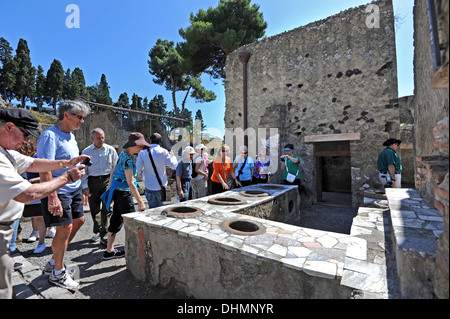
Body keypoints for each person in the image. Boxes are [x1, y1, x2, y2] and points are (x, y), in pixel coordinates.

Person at [0, 108, 87, 299]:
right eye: (24, 135)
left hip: (5, 230)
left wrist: (65, 163)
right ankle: (57, 270)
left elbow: (33, 163)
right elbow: (28, 194)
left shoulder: (6, 152)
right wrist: (64, 180)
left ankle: (54, 263)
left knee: (75, 222)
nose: (26, 142)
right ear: (9, 127)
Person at [36, 99, 91, 290]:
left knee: (79, 221)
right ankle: (58, 274)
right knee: (65, 227)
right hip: (58, 190)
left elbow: (72, 164)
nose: (82, 121)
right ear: (66, 115)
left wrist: (82, 185)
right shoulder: (50, 136)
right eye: (79, 117)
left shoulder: (71, 137)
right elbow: (44, 168)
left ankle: (53, 262)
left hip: (73, 188)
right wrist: (52, 197)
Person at [101, 132, 148, 260]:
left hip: (117, 191)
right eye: (140, 146)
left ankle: (109, 251)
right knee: (132, 223)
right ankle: (134, 253)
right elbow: (131, 183)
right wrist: (141, 202)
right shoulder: (128, 159)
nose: (141, 149)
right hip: (123, 193)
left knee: (116, 218)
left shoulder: (123, 154)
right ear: (134, 145)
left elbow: (113, 171)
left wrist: (110, 187)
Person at [81, 128, 118, 245]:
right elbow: (83, 171)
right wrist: (85, 186)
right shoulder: (86, 152)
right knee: (94, 208)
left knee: (107, 208)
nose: (101, 140)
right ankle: (98, 231)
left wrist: (114, 184)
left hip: (108, 180)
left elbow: (115, 167)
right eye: (98, 138)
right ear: (92, 138)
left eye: (103, 138)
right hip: (92, 181)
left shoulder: (110, 150)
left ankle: (105, 233)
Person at [137, 133, 177, 208]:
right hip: (161, 186)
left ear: (150, 141)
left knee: (152, 210)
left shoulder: (142, 153)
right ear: (160, 141)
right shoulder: (164, 151)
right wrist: (173, 156)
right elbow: (173, 165)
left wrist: (144, 178)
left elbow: (138, 169)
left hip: (149, 186)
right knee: (161, 208)